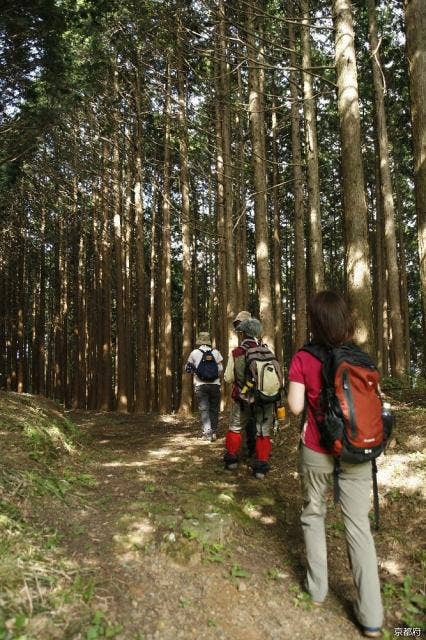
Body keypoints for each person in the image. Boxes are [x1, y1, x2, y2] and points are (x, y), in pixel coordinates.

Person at [287, 290, 383, 639]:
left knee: (314, 515)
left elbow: (296, 408)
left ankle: (317, 590)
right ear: (346, 319)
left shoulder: (303, 357)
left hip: (317, 449)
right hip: (357, 452)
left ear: (314, 322)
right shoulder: (361, 358)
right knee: (358, 526)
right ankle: (372, 617)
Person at [223, 317, 275, 479]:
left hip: (243, 398)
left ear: (243, 333)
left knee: (235, 427)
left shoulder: (237, 352)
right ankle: (261, 467)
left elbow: (228, 377)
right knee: (263, 432)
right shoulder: (267, 351)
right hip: (265, 398)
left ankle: (231, 460)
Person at [185, 332, 223, 442]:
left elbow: (187, 368)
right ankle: (214, 432)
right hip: (215, 385)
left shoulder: (194, 353)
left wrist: (198, 372)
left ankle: (207, 433)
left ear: (199, 341)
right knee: (214, 409)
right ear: (209, 341)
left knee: (204, 409)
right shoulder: (216, 352)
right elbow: (220, 369)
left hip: (200, 385)